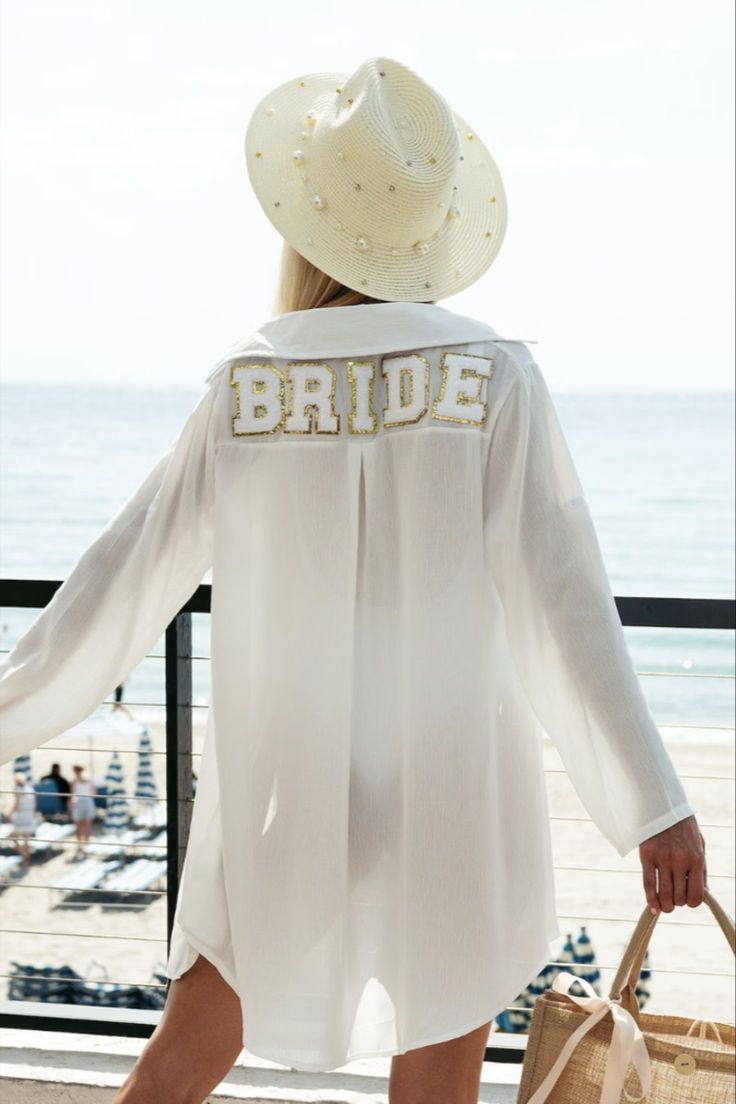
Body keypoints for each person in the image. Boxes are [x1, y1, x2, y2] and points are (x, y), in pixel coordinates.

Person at [0, 57, 707, 1104]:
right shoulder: (489, 376)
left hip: (288, 767)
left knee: (192, 1042)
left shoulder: (249, 384)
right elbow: (564, 604)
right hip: (449, 766)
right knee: (436, 1058)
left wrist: (9, 709)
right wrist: (651, 802)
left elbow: (125, 571)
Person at [69, 764, 97, 857]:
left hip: (85, 802)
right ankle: (81, 844)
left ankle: (85, 843)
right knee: (80, 825)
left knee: (85, 825)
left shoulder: (86, 780)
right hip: (82, 802)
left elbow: (94, 792)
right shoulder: (75, 781)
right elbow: (73, 794)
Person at [9, 772, 37, 865]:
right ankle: (26, 857)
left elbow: (17, 805)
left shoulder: (17, 790)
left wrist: (9, 814)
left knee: (15, 838)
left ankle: (23, 854)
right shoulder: (30, 789)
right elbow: (34, 804)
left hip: (21, 815)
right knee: (26, 839)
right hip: (29, 815)